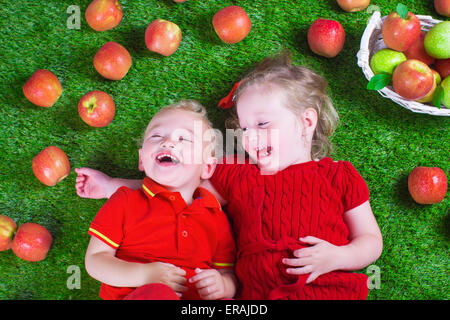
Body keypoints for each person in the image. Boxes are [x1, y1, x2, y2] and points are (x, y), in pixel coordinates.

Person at [76, 52, 383, 300]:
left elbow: (370, 240)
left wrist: (338, 257)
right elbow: (180, 180)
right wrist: (113, 186)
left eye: (262, 124)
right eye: (244, 129)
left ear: (306, 122)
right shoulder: (236, 177)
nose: (250, 138)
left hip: (329, 291)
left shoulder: (339, 175)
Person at [83, 100, 237, 300]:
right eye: (156, 136)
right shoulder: (125, 201)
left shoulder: (215, 216)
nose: (168, 142)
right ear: (141, 159)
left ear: (207, 167)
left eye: (184, 138)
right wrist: (146, 275)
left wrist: (223, 285)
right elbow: (95, 261)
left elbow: (229, 274)